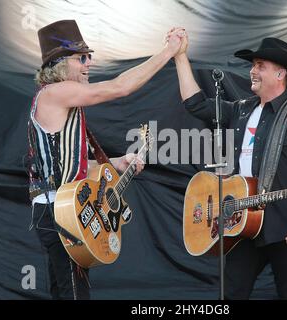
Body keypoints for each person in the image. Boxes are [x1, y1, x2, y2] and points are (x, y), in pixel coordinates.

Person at [28, 20, 184, 300]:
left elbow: (73, 166)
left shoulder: (65, 102)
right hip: (58, 210)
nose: (88, 64)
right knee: (74, 293)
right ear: (61, 63)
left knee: (68, 289)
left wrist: (118, 162)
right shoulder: (56, 92)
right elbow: (119, 87)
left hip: (63, 208)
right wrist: (168, 52)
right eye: (82, 59)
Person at [173, 33, 287, 299]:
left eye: (261, 65)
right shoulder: (242, 109)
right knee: (232, 293)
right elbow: (197, 104)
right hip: (242, 222)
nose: (253, 71)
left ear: (280, 74)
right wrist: (179, 57)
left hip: (285, 226)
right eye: (253, 65)